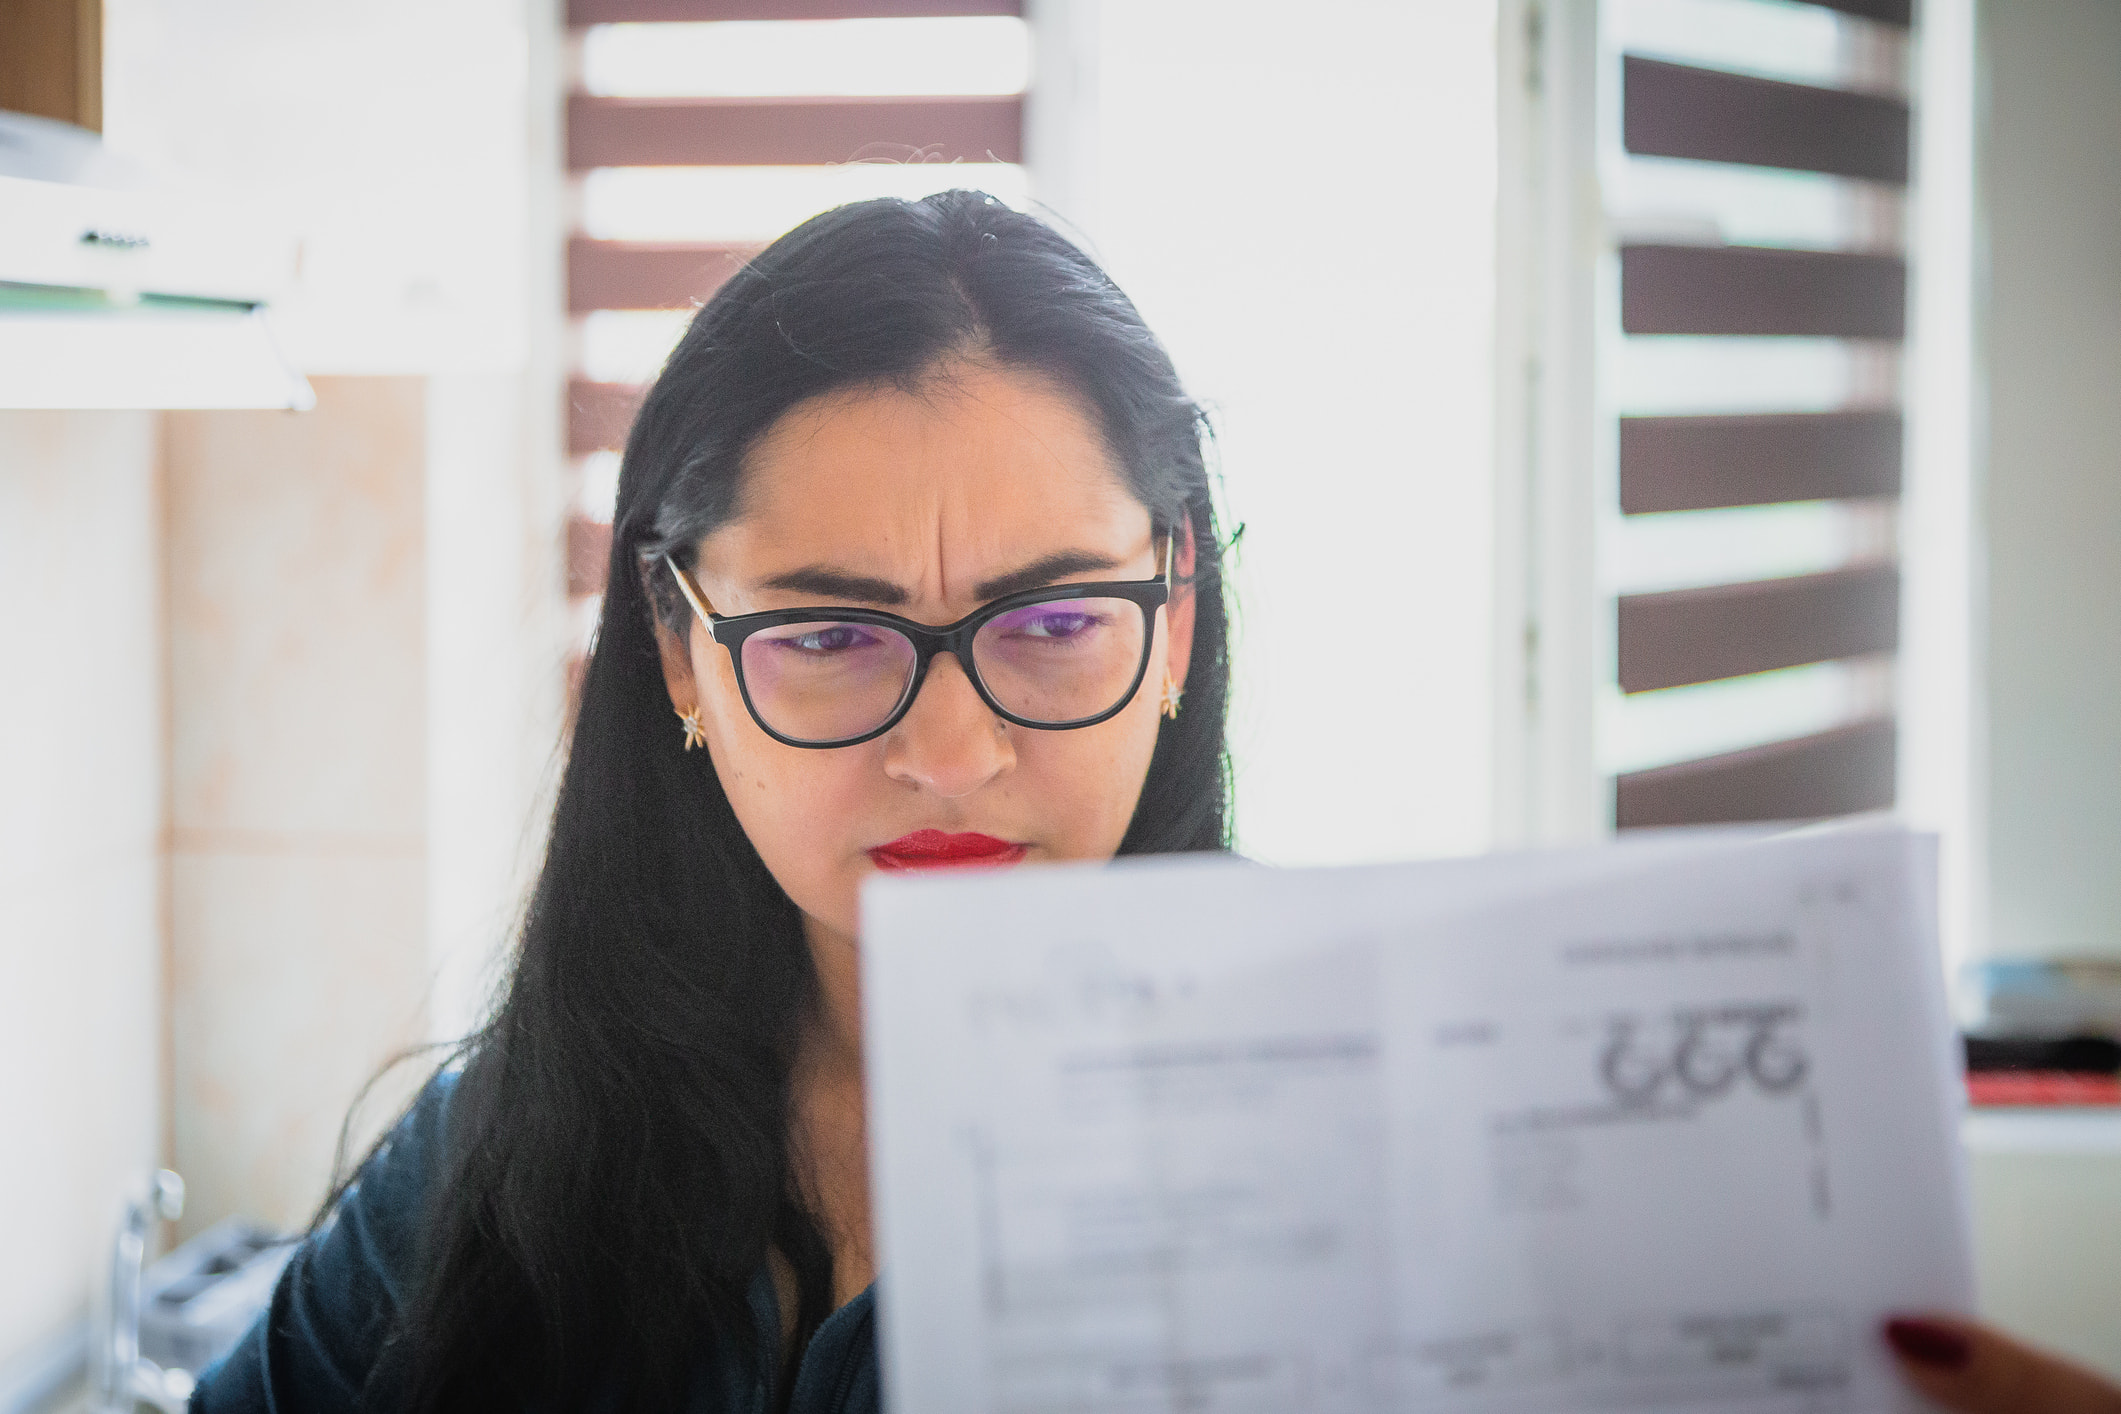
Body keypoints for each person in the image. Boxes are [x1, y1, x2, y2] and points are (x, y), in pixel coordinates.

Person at [190, 191, 2121, 1414]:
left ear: (1178, 616)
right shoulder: (508, 1153)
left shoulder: (1424, 1146)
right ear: (686, 657)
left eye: (1048, 620)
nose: (947, 751)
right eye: (832, 636)